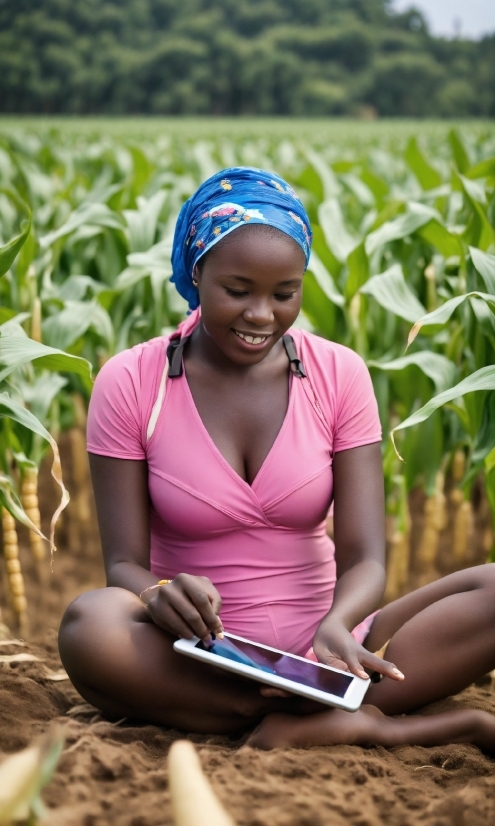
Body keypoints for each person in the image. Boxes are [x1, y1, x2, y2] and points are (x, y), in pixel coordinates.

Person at [59, 167, 495, 753]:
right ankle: (322, 716)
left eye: (284, 294)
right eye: (237, 291)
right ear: (196, 273)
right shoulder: (133, 381)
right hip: (203, 655)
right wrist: (157, 593)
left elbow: (366, 559)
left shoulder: (339, 373)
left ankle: (316, 710)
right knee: (90, 624)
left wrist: (337, 626)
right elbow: (124, 565)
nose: (261, 315)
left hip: (334, 644)